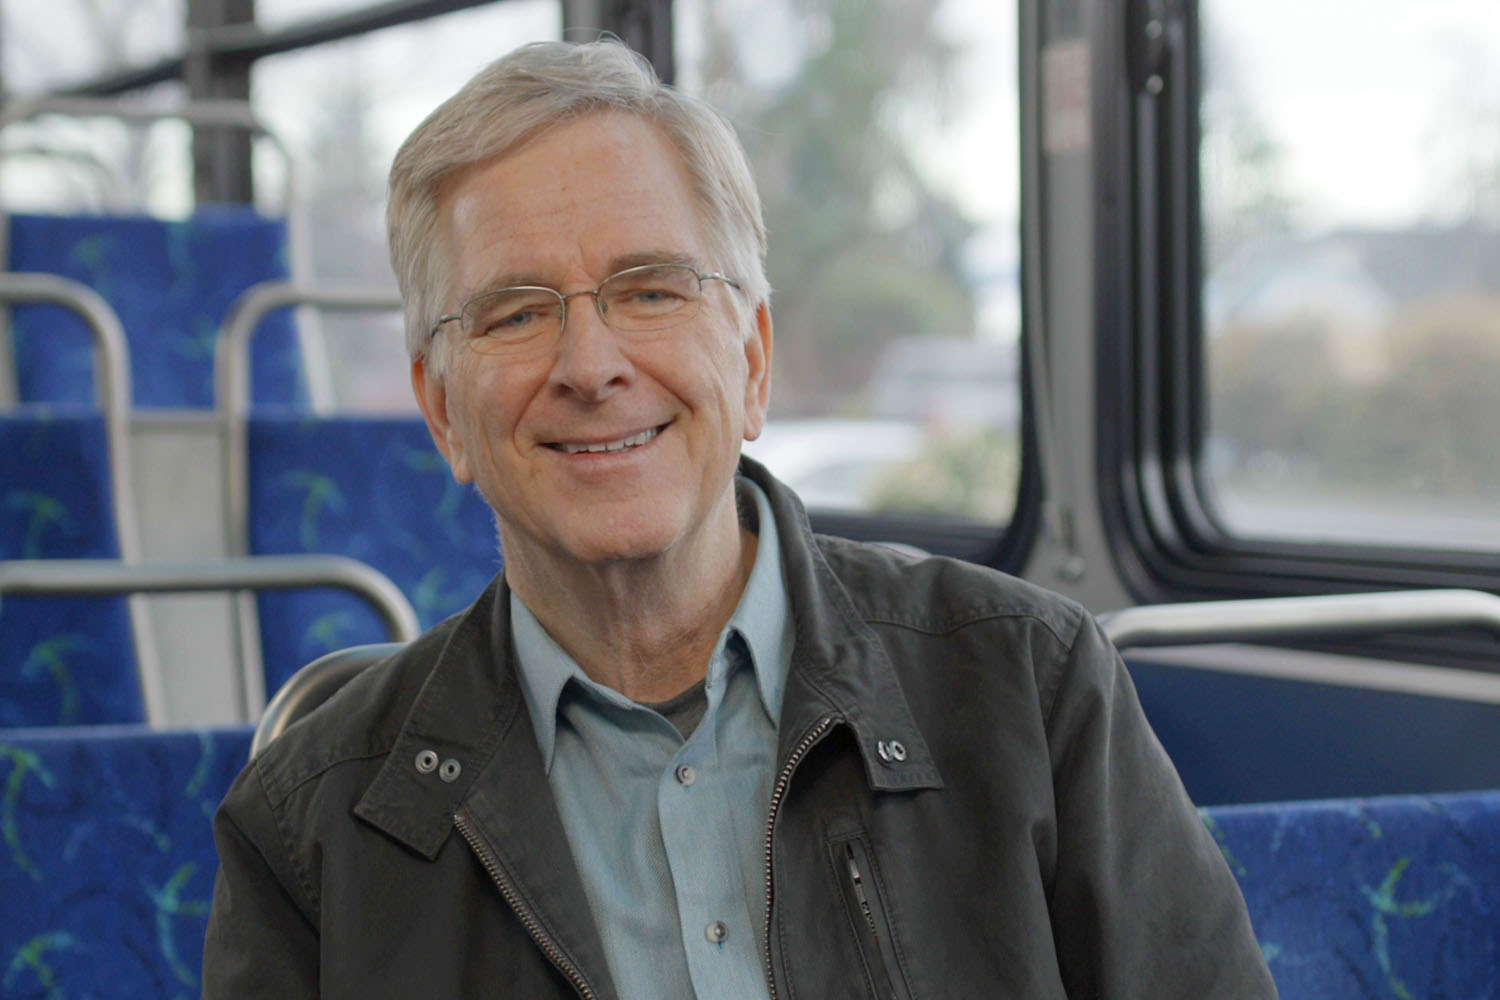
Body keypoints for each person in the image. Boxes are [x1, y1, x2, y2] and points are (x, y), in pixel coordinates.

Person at [203, 38, 1277, 999]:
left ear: (752, 360)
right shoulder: (308, 830)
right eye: (517, 314)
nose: (591, 366)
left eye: (652, 290)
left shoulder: (1034, 691)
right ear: (443, 409)